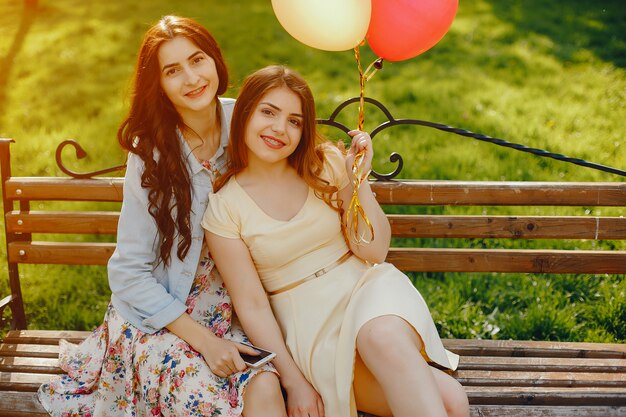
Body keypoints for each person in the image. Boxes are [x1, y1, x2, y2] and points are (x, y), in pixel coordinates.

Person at [37, 16, 286, 417]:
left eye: (197, 60)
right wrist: (204, 341)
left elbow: (299, 154)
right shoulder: (151, 151)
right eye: (173, 71)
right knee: (205, 401)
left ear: (216, 62)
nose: (191, 78)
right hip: (160, 318)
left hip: (235, 310)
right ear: (160, 85)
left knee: (267, 389)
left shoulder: (247, 121)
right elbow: (129, 271)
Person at [202, 65, 470, 417]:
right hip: (309, 326)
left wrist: (358, 180)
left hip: (365, 290)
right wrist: (294, 381)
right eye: (268, 112)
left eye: (294, 121)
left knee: (382, 337)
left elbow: (373, 251)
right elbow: (252, 305)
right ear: (245, 113)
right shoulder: (224, 207)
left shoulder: (324, 164)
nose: (279, 129)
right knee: (451, 404)